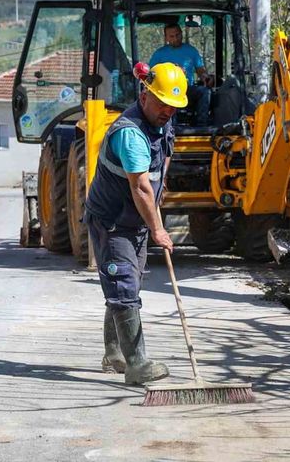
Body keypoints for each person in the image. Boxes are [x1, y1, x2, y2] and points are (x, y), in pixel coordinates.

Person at [83, 62, 188, 385]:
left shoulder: (162, 120)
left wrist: (161, 186)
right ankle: (137, 364)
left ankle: (114, 353)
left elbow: (165, 152)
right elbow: (140, 187)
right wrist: (158, 228)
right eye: (162, 104)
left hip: (134, 219)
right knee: (124, 285)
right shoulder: (130, 133)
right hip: (112, 220)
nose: (168, 111)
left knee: (126, 285)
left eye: (173, 106)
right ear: (144, 96)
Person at [149, 23, 212, 126]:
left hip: (187, 89)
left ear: (181, 34)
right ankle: (171, 127)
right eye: (171, 36)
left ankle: (202, 125)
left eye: (177, 35)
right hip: (167, 91)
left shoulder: (191, 51)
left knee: (205, 92)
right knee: (168, 97)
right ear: (166, 38)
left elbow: (200, 70)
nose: (175, 38)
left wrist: (205, 77)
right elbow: (151, 74)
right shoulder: (159, 54)